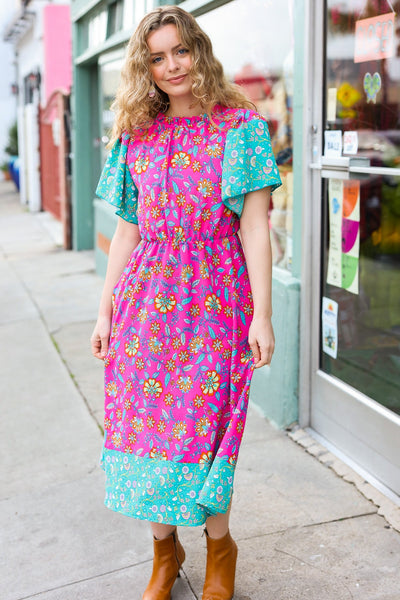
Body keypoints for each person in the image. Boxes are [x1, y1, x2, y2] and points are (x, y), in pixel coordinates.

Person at [91, 5, 281, 600]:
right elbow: (127, 231)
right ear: (143, 68)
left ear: (198, 50)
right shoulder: (136, 136)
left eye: (180, 51)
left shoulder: (239, 127)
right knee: (148, 434)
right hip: (146, 307)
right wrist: (104, 312)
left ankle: (219, 548)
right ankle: (164, 554)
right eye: (156, 57)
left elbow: (255, 227)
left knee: (205, 434)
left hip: (217, 302)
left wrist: (264, 314)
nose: (171, 66)